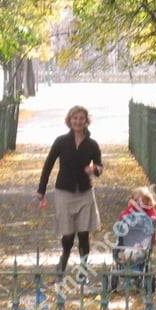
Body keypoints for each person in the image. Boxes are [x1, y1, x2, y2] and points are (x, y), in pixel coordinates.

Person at [36, 105, 103, 274]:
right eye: (75, 118)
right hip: (64, 192)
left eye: (81, 118)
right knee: (68, 234)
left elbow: (99, 167)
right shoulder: (61, 141)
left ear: (86, 121)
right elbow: (48, 165)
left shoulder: (92, 145)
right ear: (69, 120)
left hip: (85, 193)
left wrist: (94, 169)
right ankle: (64, 257)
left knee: (83, 233)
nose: (78, 121)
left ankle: (83, 269)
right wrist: (41, 190)